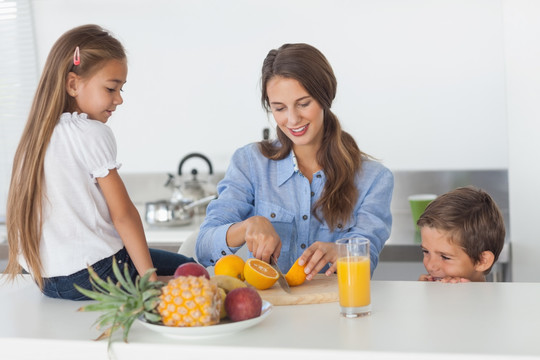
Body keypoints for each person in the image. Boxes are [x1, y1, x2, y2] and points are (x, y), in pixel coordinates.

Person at [4, 24, 194, 300]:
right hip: (95, 272)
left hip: (46, 280)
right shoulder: (91, 132)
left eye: (121, 89)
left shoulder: (34, 137)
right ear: (73, 84)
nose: (119, 100)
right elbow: (123, 214)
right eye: (111, 88)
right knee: (191, 269)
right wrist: (149, 280)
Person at [196, 43, 394, 280]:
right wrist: (248, 226)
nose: (292, 119)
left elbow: (367, 257)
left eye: (303, 104)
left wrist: (342, 252)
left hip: (333, 309)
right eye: (279, 108)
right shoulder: (250, 163)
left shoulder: (374, 179)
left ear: (325, 98)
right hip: (268, 311)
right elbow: (204, 247)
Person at [417, 186, 506, 283]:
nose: (430, 266)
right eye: (426, 251)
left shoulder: (490, 298)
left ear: (482, 261)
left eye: (445, 257)